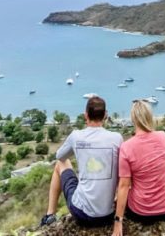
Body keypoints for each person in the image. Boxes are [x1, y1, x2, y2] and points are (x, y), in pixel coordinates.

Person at [40, 96, 123, 228]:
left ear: (86, 115)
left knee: (60, 164)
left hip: (82, 214)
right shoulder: (116, 138)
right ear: (105, 116)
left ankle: (50, 215)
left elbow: (60, 156)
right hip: (108, 215)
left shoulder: (76, 136)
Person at [111, 100, 165, 235]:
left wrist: (118, 222)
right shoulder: (163, 136)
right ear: (150, 117)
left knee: (130, 187)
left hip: (142, 212)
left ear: (133, 119)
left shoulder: (127, 147)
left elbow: (124, 186)